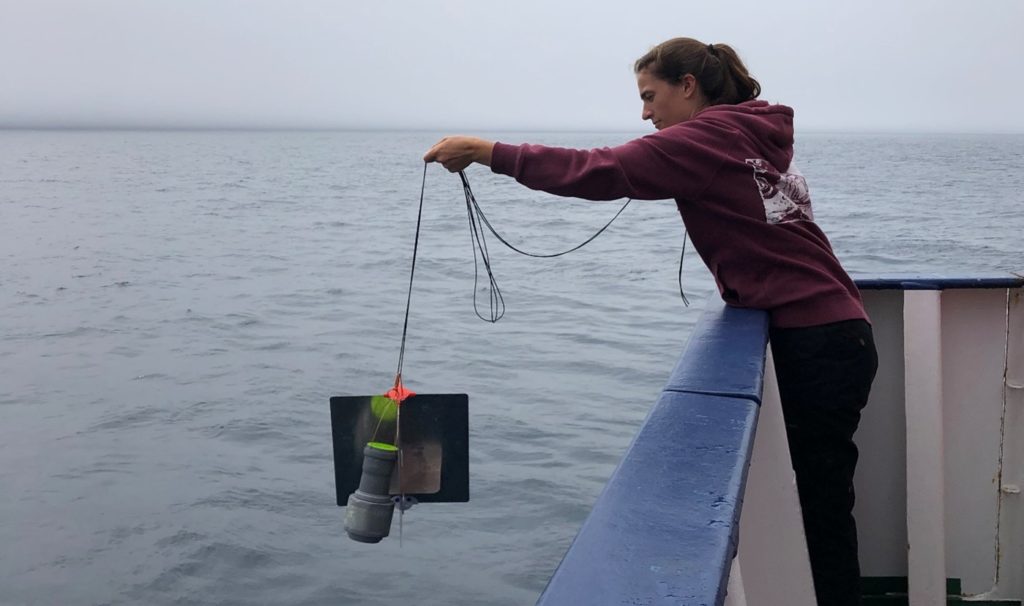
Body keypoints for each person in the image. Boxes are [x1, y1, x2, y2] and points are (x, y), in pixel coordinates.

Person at [424, 37, 878, 606]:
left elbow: (598, 170)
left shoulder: (707, 137)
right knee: (825, 499)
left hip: (816, 341)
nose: (644, 114)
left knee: (821, 509)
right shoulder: (749, 130)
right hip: (838, 330)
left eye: (650, 96)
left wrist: (489, 151)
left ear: (688, 87)